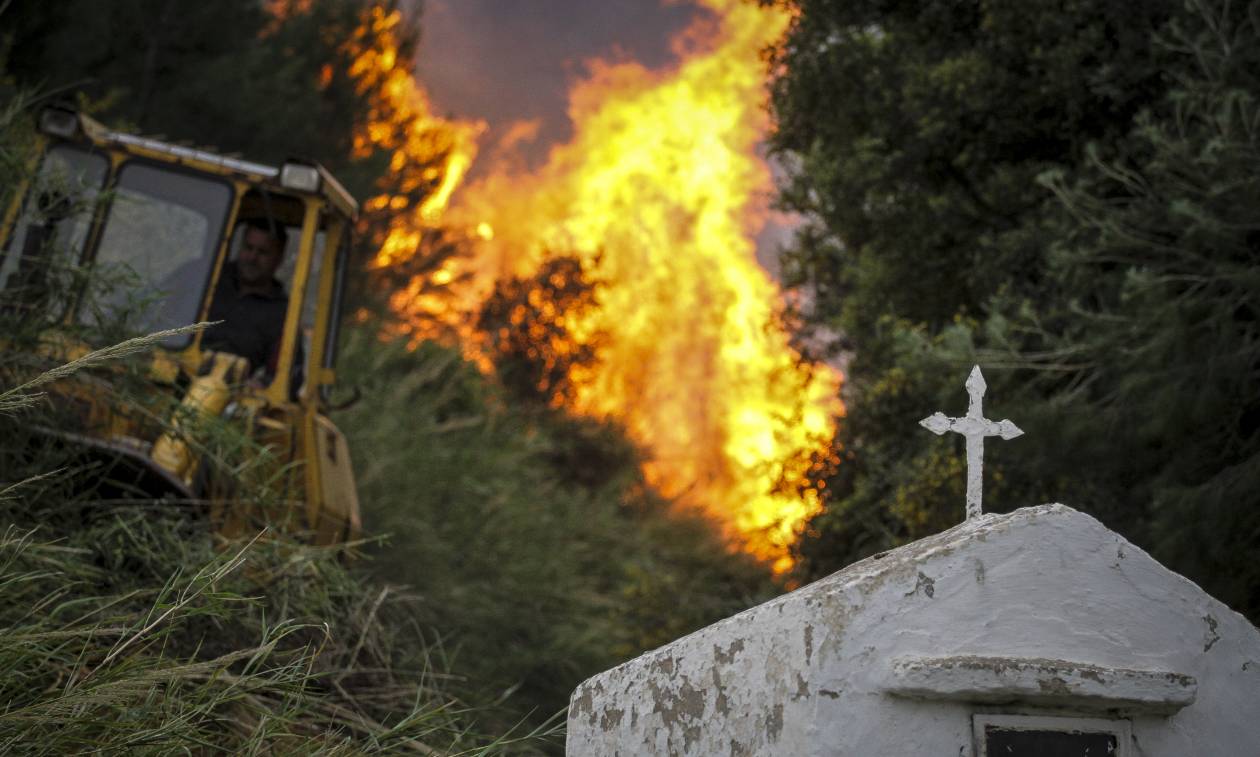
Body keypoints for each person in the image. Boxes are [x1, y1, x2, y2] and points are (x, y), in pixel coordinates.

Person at [203, 219, 292, 377]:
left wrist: (262, 384)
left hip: (234, 395)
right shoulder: (206, 277)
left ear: (278, 259)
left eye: (262, 252)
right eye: (248, 248)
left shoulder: (283, 315)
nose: (252, 257)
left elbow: (286, 376)